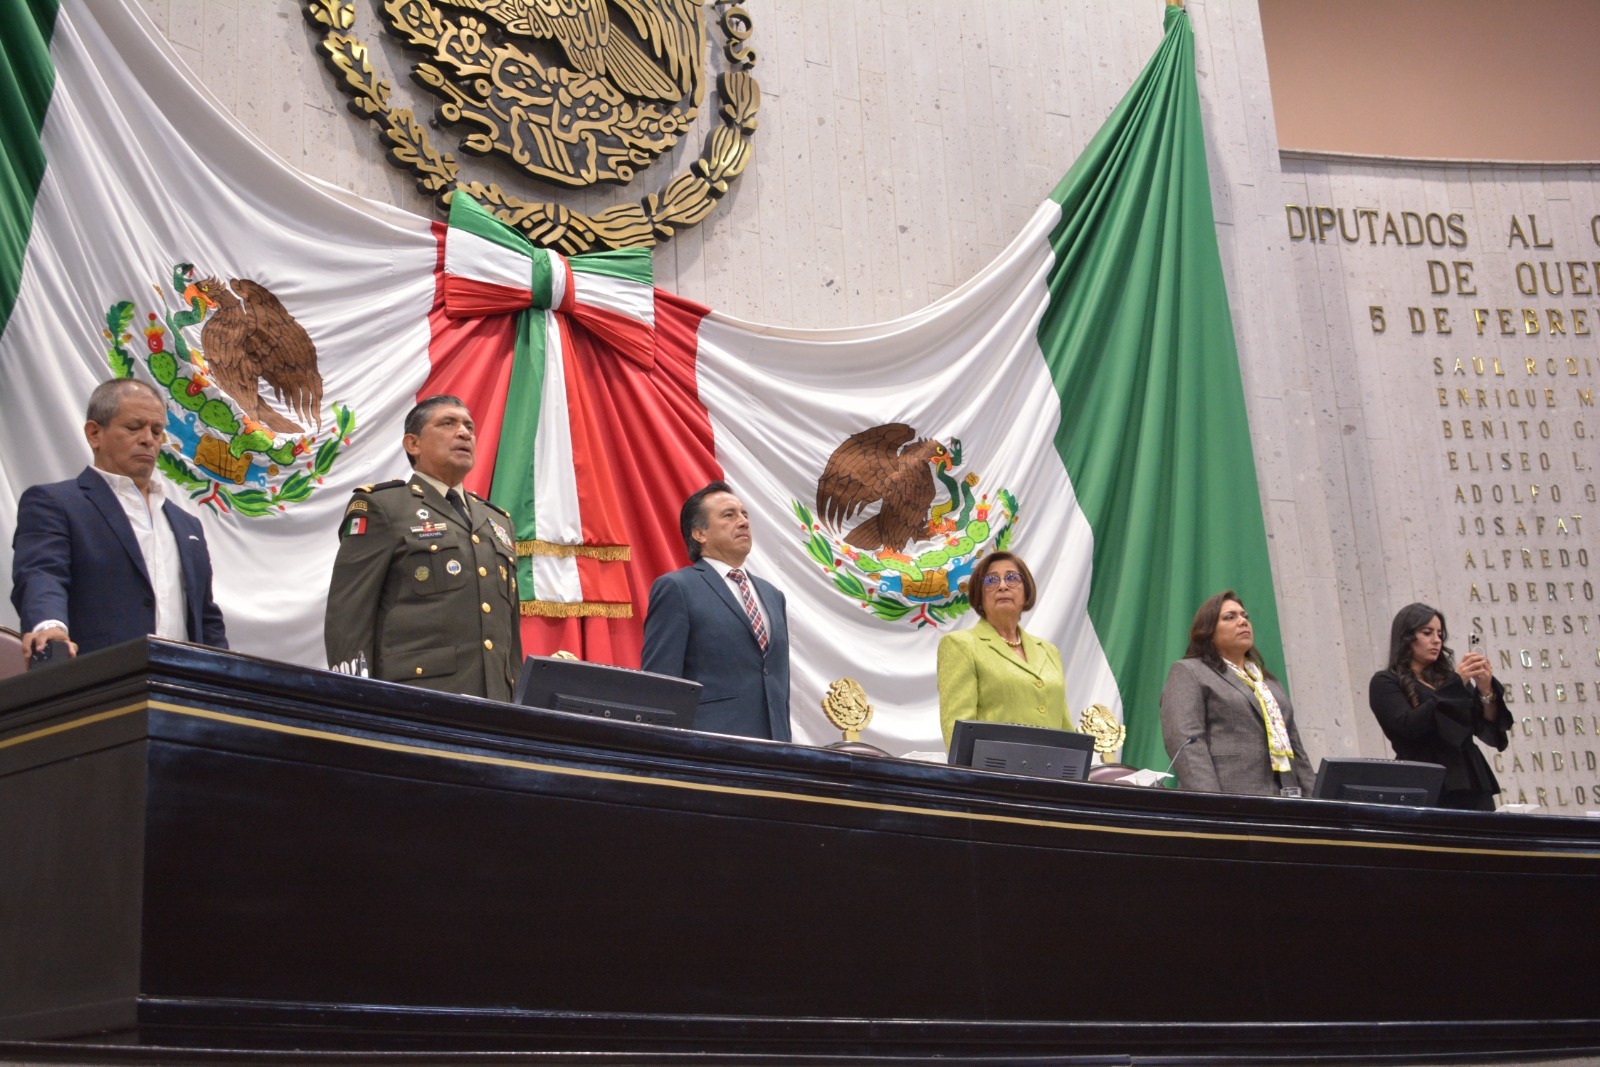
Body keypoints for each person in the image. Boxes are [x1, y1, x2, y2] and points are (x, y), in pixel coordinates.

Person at [10, 378, 228, 662]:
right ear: (94, 433)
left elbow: (205, 617)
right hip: (99, 685)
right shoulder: (56, 504)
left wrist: (224, 677)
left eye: (157, 430)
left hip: (183, 691)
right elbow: (42, 574)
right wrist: (49, 627)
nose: (148, 439)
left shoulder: (187, 524)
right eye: (134, 427)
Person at [324, 395, 521, 700]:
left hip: (495, 707)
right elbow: (348, 617)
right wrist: (356, 701)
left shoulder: (497, 521)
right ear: (413, 444)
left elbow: (509, 635)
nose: (464, 433)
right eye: (448, 423)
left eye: (469, 426)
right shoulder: (382, 507)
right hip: (416, 702)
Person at [641, 481, 791, 741]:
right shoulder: (678, 588)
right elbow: (660, 685)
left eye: (744, 514)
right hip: (708, 748)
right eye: (729, 515)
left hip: (774, 752)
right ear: (700, 533)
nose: (743, 522)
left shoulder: (772, 596)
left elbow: (777, 682)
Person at [1160, 590, 1315, 796]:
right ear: (1208, 632)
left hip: (1286, 801)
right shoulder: (1190, 672)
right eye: (1229, 617)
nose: (1242, 621)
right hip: (1230, 800)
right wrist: (1212, 802)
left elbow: (1296, 749)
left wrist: (1318, 802)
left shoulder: (1267, 682)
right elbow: (1185, 741)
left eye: (1244, 616)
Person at [1368, 603, 1509, 811]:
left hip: (1470, 780)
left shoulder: (1448, 680)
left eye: (1440, 634)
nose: (1437, 640)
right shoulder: (1385, 681)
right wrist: (1455, 684)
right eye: (1427, 633)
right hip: (1425, 781)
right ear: (1406, 637)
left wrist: (1485, 690)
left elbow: (1489, 732)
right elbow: (1407, 727)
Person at [936, 551, 1071, 748]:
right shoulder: (960, 645)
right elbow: (957, 731)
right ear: (979, 596)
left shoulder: (1049, 651)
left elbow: (1064, 725)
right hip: (994, 775)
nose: (1002, 585)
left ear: (1026, 593)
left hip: (1050, 775)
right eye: (991, 580)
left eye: (1012, 578)